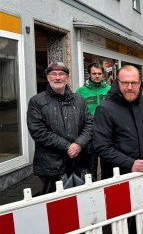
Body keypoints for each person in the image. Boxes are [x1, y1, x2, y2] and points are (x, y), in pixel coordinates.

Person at [27, 62, 93, 194]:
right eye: (53, 74)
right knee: (54, 205)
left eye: (61, 74)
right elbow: (38, 131)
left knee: (81, 201)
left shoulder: (79, 100)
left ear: (67, 77)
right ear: (47, 77)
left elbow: (90, 124)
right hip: (51, 164)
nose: (57, 77)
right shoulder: (37, 102)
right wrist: (68, 146)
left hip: (79, 161)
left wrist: (79, 144)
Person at [93, 65, 143, 180]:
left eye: (134, 83)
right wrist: (129, 163)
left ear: (140, 83)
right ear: (117, 82)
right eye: (125, 83)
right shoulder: (105, 109)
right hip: (120, 177)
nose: (130, 87)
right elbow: (102, 146)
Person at [76, 62, 111, 180]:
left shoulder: (110, 90)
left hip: (107, 132)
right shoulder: (81, 91)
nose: (97, 76)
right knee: (90, 166)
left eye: (99, 73)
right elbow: (77, 113)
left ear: (103, 74)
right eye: (94, 73)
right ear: (89, 75)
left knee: (108, 164)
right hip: (89, 133)